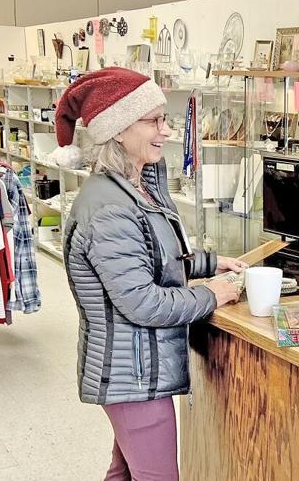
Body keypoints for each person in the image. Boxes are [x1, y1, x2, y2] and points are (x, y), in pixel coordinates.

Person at [57, 67, 245, 480]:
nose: (166, 131)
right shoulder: (110, 207)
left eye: (165, 119)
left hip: (136, 371)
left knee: (124, 473)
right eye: (154, 120)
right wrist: (213, 293)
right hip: (134, 376)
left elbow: (152, 258)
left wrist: (210, 265)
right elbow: (143, 302)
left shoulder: (135, 187)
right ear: (119, 129)